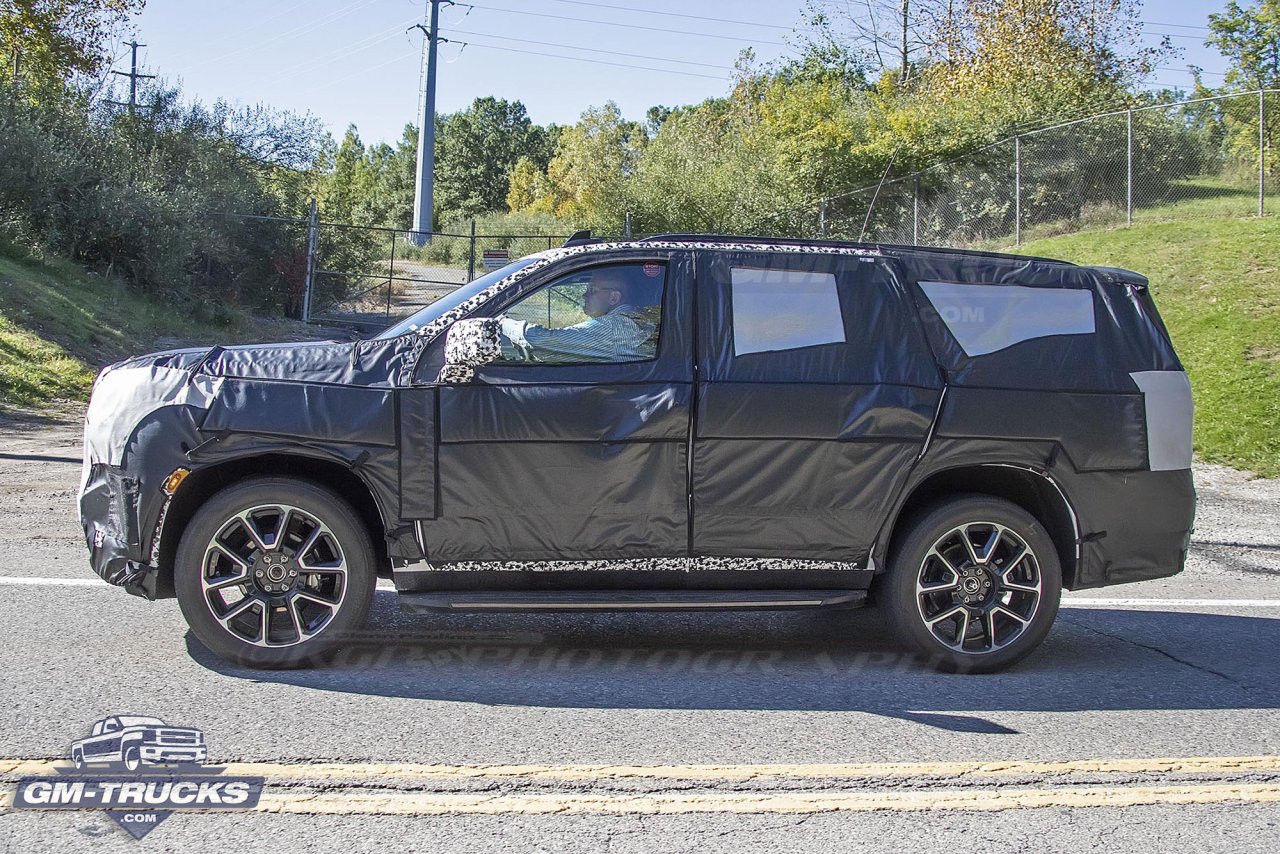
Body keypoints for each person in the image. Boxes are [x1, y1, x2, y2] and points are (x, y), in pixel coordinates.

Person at [498, 267, 657, 363]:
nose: (584, 295)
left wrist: (500, 323)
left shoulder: (617, 326)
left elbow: (539, 340)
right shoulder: (635, 320)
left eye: (591, 290)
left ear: (613, 298)